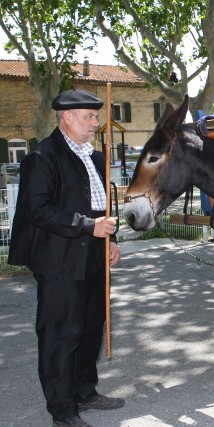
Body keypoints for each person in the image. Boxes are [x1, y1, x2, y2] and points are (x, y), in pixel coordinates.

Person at [9, 88, 124, 427]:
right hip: (59, 263)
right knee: (61, 335)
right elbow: (37, 209)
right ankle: (62, 411)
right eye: (89, 117)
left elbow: (103, 206)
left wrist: (111, 239)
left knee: (91, 329)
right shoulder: (43, 157)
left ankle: (84, 392)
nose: (95, 123)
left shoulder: (95, 157)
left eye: (94, 116)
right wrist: (90, 227)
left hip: (93, 259)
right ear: (67, 118)